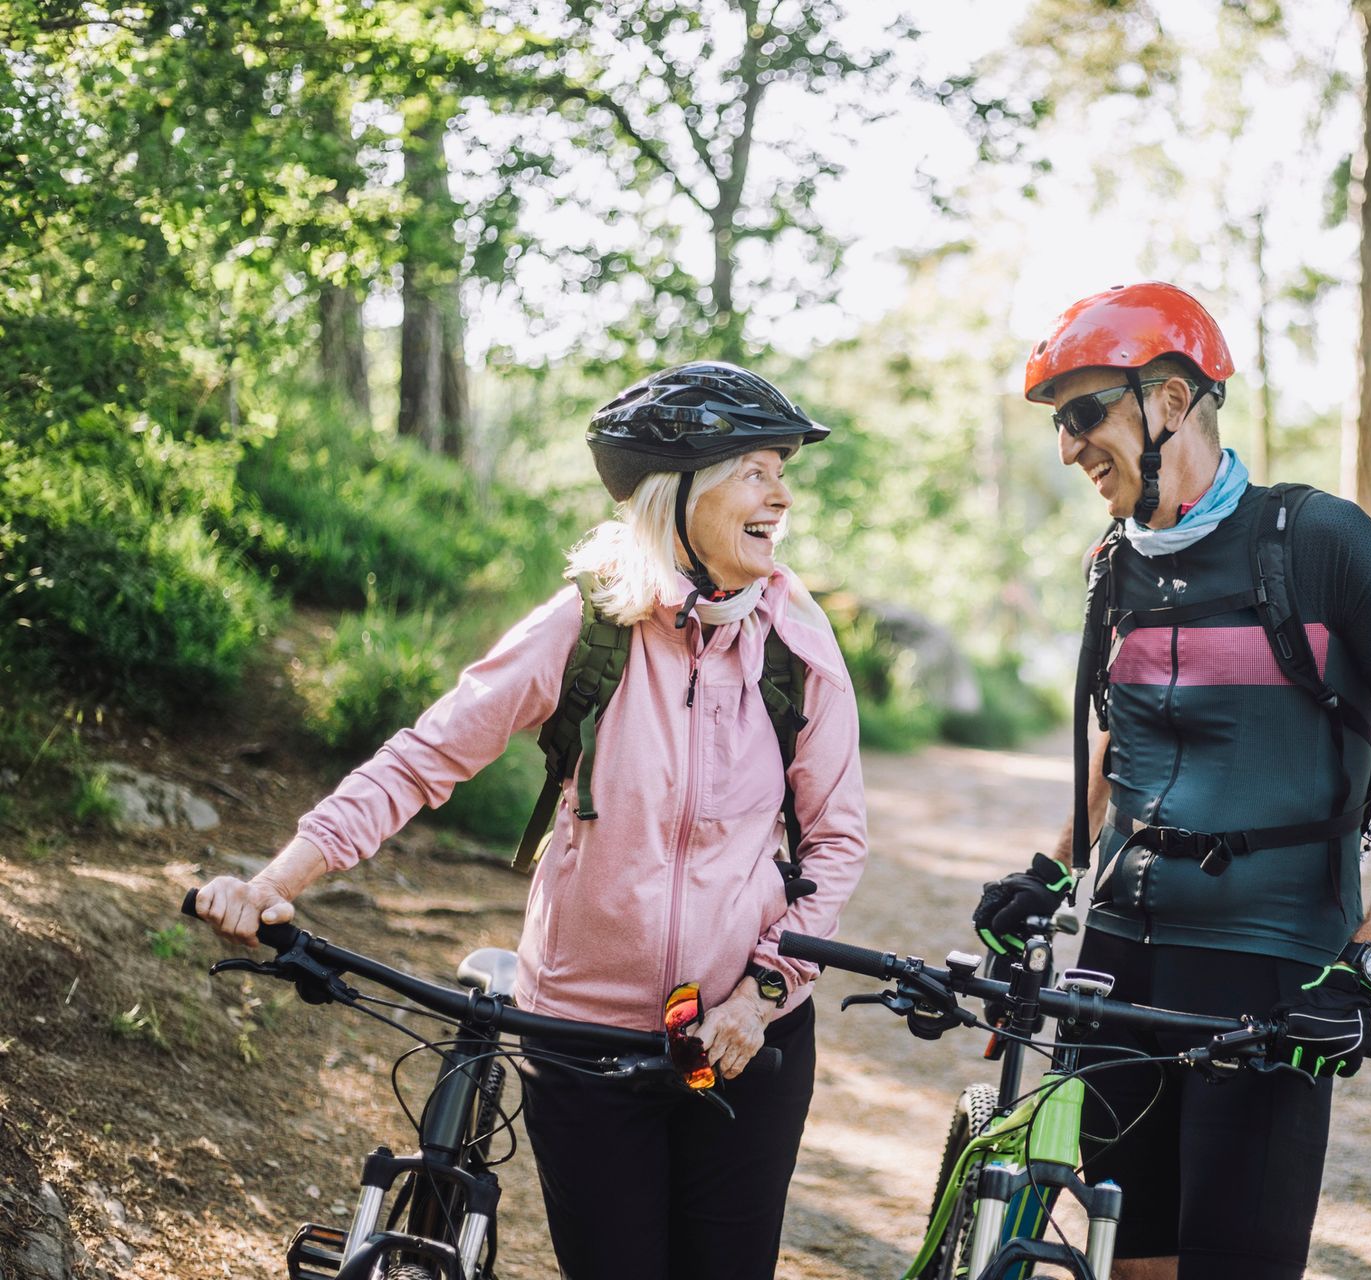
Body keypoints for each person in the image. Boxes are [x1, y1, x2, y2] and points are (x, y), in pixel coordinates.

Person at [190, 361, 869, 1280]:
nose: (782, 496)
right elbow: (424, 757)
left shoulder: (795, 637)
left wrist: (764, 992)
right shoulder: (583, 627)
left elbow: (833, 839)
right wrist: (275, 882)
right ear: (681, 495)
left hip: (747, 1043)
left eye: (783, 472)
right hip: (584, 1040)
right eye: (756, 470)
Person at [973, 282, 1371, 1279]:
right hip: (1120, 960)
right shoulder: (1112, 565)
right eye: (1059, 424)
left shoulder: (1321, 545)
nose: (1070, 446)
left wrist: (1370, 961)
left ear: (1168, 401)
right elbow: (1122, 755)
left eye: (1085, 415)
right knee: (1133, 1258)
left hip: (1270, 977)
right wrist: (1049, 869)